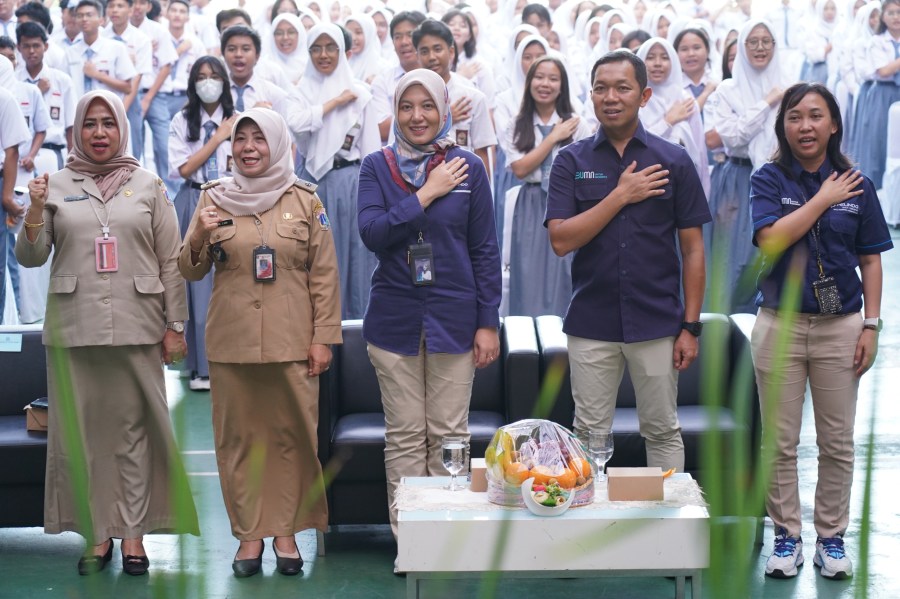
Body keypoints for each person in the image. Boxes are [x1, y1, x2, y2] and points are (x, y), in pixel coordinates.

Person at [15, 89, 198, 575]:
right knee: (84, 436)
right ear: (77, 131)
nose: (99, 133)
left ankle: (133, 534)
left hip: (138, 327)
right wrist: (34, 210)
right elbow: (31, 257)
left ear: (122, 128)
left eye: (108, 123)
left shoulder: (149, 184)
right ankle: (97, 535)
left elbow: (171, 261)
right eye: (90, 124)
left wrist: (175, 327)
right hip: (74, 331)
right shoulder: (55, 184)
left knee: (134, 435)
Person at [178, 108, 341, 578]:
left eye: (259, 138)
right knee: (239, 442)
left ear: (278, 144)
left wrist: (324, 338)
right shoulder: (213, 196)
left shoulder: (306, 199)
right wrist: (199, 233)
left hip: (294, 342)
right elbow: (189, 269)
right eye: (240, 138)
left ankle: (286, 533)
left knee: (293, 438)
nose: (249, 147)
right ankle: (249, 535)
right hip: (232, 343)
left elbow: (325, 274)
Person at [749, 82, 892, 580]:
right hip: (779, 326)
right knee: (780, 441)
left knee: (837, 442)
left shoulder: (858, 184)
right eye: (794, 117)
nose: (804, 126)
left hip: (841, 327)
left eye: (815, 116)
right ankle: (786, 536)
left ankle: (831, 538)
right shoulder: (768, 178)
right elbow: (771, 239)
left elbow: (870, 260)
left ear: (833, 125)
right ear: (783, 127)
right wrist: (823, 198)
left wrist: (871, 324)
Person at [357, 68, 501, 555]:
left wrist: (488, 321)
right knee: (403, 436)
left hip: (455, 319)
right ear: (394, 112)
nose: (417, 117)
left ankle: (445, 542)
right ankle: (413, 545)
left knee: (449, 436)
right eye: (406, 107)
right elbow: (373, 234)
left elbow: (484, 249)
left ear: (443, 110)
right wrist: (426, 193)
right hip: (392, 320)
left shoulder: (468, 168)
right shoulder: (376, 167)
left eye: (427, 106)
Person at [545, 50, 710, 471]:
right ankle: (590, 513)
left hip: (657, 321)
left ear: (644, 95)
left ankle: (667, 514)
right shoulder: (571, 161)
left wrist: (691, 326)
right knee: (588, 433)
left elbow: (693, 250)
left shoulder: (673, 160)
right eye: (601, 88)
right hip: (591, 321)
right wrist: (620, 195)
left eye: (622, 88)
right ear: (591, 95)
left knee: (662, 429)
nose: (611, 97)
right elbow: (561, 241)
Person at [706, 18, 791, 313]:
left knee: (775, 256)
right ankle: (727, 327)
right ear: (742, 47)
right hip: (739, 178)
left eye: (766, 41)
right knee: (733, 257)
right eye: (752, 41)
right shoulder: (727, 90)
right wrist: (767, 103)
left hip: (781, 178)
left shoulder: (790, 86)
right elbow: (732, 136)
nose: (760, 47)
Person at [296, 22, 380, 320]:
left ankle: (355, 326)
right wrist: (332, 103)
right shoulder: (301, 92)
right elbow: (297, 127)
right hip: (311, 184)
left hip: (350, 183)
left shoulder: (361, 94)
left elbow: (371, 150)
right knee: (313, 256)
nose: (324, 55)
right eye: (316, 48)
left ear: (343, 51)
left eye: (331, 47)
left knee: (354, 256)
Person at [168, 55, 235, 391]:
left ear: (225, 81)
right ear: (193, 83)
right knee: (195, 284)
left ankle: (229, 360)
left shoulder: (238, 118)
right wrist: (217, 138)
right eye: (202, 76)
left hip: (231, 201)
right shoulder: (182, 119)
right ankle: (200, 366)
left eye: (215, 76)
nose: (208, 82)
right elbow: (183, 168)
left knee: (228, 280)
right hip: (194, 200)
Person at [506, 55, 591, 317]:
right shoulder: (517, 124)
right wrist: (552, 138)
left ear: (562, 85)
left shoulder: (577, 124)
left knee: (564, 272)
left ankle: (565, 332)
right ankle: (526, 335)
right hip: (530, 204)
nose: (545, 84)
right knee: (527, 273)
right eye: (539, 77)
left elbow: (584, 170)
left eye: (553, 79)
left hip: (567, 204)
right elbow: (521, 169)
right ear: (529, 82)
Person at [637, 37, 711, 197]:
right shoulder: (635, 99)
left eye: (664, 57)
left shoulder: (685, 99)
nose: (657, 63)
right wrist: (668, 121)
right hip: (643, 184)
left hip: (683, 185)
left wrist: (703, 194)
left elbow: (699, 152)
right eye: (650, 57)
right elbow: (635, 145)